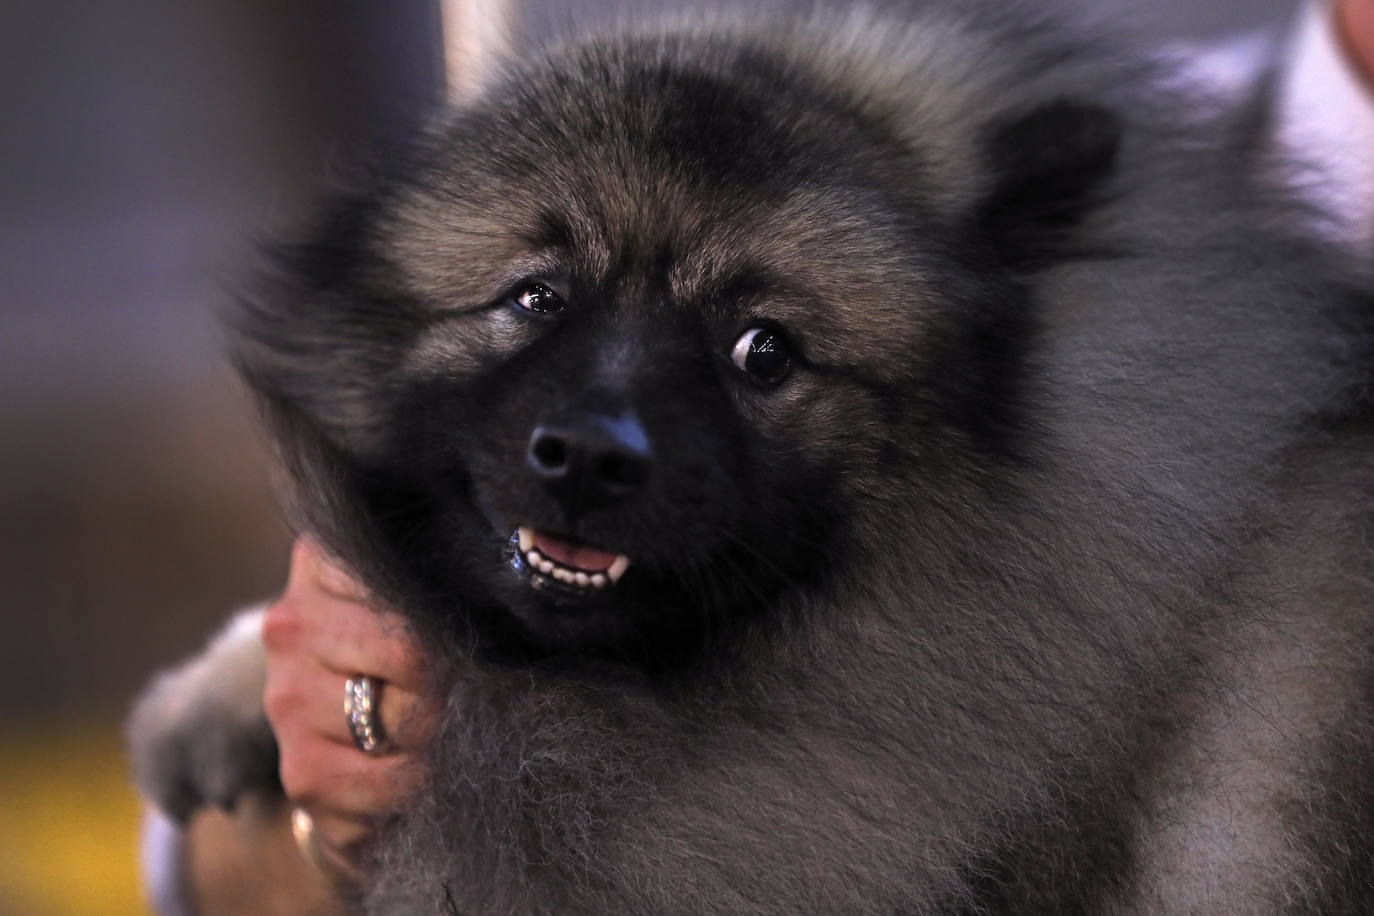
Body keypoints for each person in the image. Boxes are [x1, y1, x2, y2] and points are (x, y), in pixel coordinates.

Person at [142, 0, 1374, 911]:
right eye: (535, 299)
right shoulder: (1110, 141)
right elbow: (207, 848)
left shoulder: (1158, 407)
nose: (597, 429)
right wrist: (324, 775)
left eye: (763, 352)